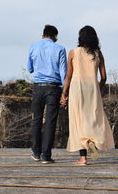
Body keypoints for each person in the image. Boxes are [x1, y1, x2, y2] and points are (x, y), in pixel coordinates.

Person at [60, 26, 115, 165]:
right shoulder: (98, 54)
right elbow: (103, 77)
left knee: (78, 121)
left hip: (77, 88)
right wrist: (99, 89)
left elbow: (69, 76)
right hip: (93, 88)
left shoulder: (73, 53)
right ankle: (92, 141)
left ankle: (83, 158)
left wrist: (64, 94)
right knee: (93, 118)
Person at [27, 25, 67, 164]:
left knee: (36, 119)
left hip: (38, 87)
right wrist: (65, 93)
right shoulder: (60, 49)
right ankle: (46, 155)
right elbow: (64, 73)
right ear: (55, 36)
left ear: (42, 35)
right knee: (50, 121)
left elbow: (29, 68)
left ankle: (36, 153)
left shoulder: (33, 46)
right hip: (53, 87)